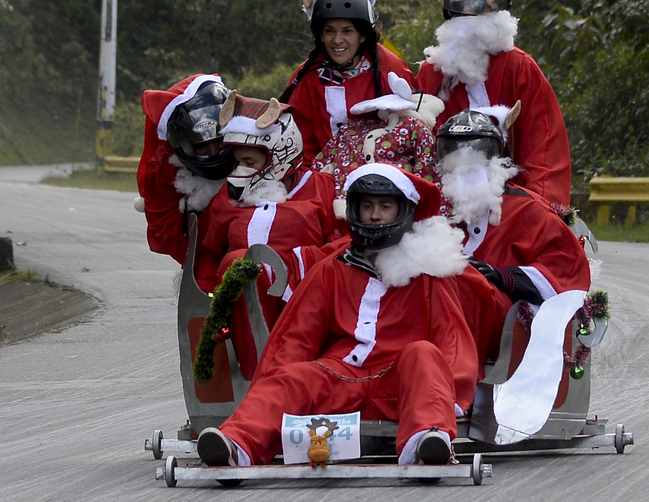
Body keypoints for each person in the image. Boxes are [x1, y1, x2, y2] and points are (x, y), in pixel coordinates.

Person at [196, 163, 495, 470]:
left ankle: (427, 441)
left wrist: (453, 397)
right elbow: (297, 336)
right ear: (354, 210)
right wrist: (276, 382)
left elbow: (452, 338)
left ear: (404, 210)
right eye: (367, 206)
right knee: (295, 376)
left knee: (423, 353)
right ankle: (234, 444)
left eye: (385, 206)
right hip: (340, 379)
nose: (375, 216)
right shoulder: (332, 269)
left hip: (400, 384)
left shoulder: (429, 272)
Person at [435, 108, 591, 366]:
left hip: (506, 325)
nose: (463, 163)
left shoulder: (528, 209)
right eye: (453, 152)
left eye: (475, 152)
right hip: (435, 323)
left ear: (495, 157)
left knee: (464, 281)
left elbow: (567, 273)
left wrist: (502, 277)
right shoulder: (431, 206)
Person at [200, 93, 340, 379]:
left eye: (249, 161)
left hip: (308, 297)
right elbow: (208, 254)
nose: (242, 170)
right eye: (237, 161)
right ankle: (259, 379)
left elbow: (341, 245)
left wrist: (302, 262)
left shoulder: (320, 187)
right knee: (237, 262)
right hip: (244, 307)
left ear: (279, 153)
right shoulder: (228, 196)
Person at [415, 0, 572, 206]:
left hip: (513, 199)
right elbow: (420, 142)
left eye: (478, 9)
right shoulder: (432, 72)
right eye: (461, 9)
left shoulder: (519, 67)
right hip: (444, 198)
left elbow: (544, 147)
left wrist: (539, 209)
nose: (468, 18)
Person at [281, 0, 416, 166]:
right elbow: (299, 145)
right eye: (329, 31)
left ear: (362, 35)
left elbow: (411, 129)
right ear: (320, 36)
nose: (337, 40)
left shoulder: (389, 68)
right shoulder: (307, 76)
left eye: (347, 31)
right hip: (323, 177)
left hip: (384, 175)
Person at [136, 75, 235, 292]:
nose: (212, 153)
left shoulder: (256, 144)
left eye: (218, 141)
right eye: (201, 146)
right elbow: (165, 232)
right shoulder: (162, 170)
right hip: (203, 254)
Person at [312, 71, 442, 205]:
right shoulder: (351, 129)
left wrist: (425, 208)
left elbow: (427, 169)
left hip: (396, 206)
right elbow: (319, 168)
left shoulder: (415, 127)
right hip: (347, 203)